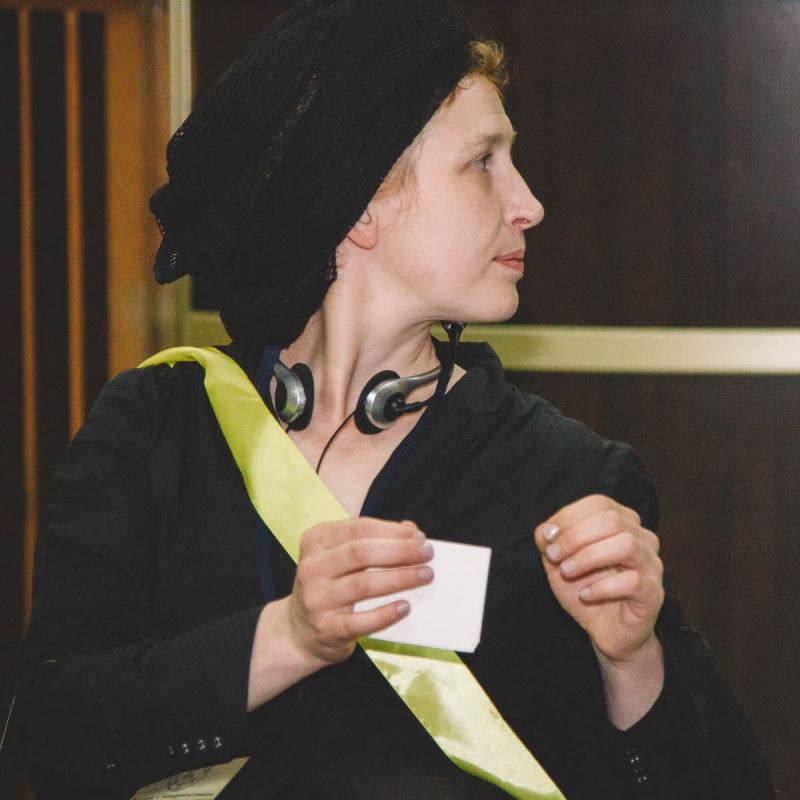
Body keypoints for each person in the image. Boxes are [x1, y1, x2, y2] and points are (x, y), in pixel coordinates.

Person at [7, 1, 773, 798]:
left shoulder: (569, 476)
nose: (529, 203)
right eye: (483, 162)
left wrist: (633, 663)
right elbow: (48, 739)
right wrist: (289, 638)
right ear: (362, 201)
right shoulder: (156, 425)